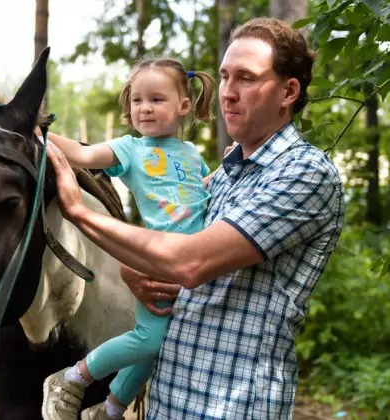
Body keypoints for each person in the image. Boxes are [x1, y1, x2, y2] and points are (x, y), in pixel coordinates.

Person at [45, 17, 344, 419]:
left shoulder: (303, 173)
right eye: (225, 77)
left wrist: (79, 211)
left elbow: (190, 262)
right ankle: (112, 405)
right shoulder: (225, 174)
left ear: (288, 91)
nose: (228, 93)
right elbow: (174, 241)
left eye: (246, 78)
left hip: (233, 406)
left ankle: (81, 383)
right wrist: (137, 269)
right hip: (170, 400)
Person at [41, 58, 215, 420]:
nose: (145, 108)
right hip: (156, 259)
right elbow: (82, 154)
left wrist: (228, 170)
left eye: (157, 99)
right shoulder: (130, 149)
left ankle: (110, 408)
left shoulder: (191, 153)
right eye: (138, 100)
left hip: (193, 265)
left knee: (161, 345)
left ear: (184, 105)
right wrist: (37, 132)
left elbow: (201, 192)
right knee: (150, 338)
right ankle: (71, 378)